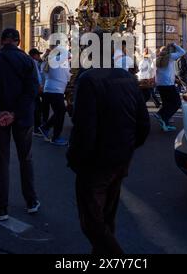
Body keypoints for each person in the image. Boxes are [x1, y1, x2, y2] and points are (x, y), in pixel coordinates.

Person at [67, 31, 150, 255]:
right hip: (121, 160)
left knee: (91, 221)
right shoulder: (127, 77)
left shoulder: (88, 80)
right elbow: (144, 124)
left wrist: (75, 159)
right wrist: (128, 149)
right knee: (107, 215)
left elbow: (85, 130)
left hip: (96, 163)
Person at [0, 28, 40, 221]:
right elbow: (32, 91)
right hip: (21, 118)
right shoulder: (28, 61)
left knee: (2, 161)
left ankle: (1, 207)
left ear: (2, 40)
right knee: (25, 159)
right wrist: (15, 113)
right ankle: (31, 202)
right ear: (18, 42)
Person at [39, 46, 71, 146]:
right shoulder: (58, 61)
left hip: (49, 90)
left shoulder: (48, 61)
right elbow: (68, 75)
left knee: (59, 112)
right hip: (56, 91)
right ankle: (55, 137)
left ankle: (45, 127)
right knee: (60, 113)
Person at [154, 43, 186, 132]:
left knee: (167, 103)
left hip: (160, 84)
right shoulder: (170, 57)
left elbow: (158, 72)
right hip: (168, 84)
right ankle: (161, 115)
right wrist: (174, 44)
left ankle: (165, 124)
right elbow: (182, 52)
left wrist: (174, 78)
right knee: (176, 103)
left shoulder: (157, 59)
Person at [29, 48, 44, 137]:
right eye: (38, 55)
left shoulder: (31, 61)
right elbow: (37, 75)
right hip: (34, 88)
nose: (39, 56)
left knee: (36, 108)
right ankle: (36, 128)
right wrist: (40, 86)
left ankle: (35, 126)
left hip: (31, 88)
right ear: (34, 55)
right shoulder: (33, 62)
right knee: (37, 109)